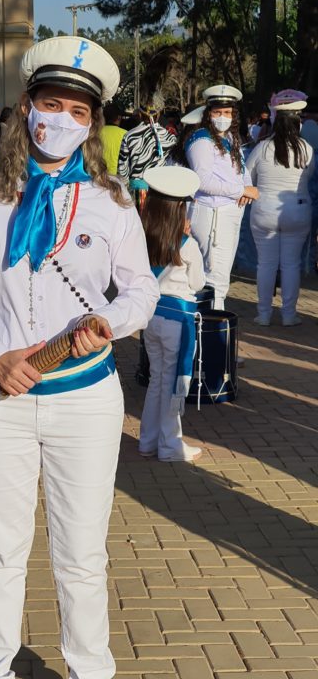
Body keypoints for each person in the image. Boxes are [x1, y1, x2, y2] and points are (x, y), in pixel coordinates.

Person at [0, 35, 159, 679]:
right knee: (0, 552)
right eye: (50, 104)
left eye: (78, 111)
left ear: (93, 123)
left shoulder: (111, 200)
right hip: (0, 398)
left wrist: (109, 323)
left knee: (82, 553)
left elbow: (141, 289)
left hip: (84, 399)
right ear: (26, 107)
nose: (61, 120)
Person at [138, 167, 205, 462]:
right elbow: (198, 284)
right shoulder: (188, 245)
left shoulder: (142, 237)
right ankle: (170, 444)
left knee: (157, 380)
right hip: (178, 320)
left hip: (151, 317)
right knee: (174, 381)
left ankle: (148, 440)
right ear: (180, 209)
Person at [186, 84, 258, 310]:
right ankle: (212, 327)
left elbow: (241, 169)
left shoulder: (230, 138)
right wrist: (240, 191)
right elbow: (203, 180)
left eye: (227, 112)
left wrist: (247, 185)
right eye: (217, 112)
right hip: (212, 214)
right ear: (208, 113)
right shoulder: (201, 140)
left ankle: (208, 324)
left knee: (220, 277)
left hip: (227, 214)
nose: (222, 117)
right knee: (214, 280)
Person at [246, 96, 315, 326]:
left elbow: (248, 176)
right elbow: (309, 176)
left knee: (266, 264)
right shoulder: (306, 149)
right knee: (291, 264)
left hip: (264, 210)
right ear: (298, 124)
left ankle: (264, 314)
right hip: (297, 210)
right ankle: (289, 315)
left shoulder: (262, 147)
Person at [117, 104, 177, 209]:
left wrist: (124, 192)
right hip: (162, 191)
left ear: (140, 114)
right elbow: (174, 166)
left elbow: (122, 170)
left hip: (137, 191)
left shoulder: (129, 136)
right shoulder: (170, 138)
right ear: (159, 115)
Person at [99, 103, 126, 175]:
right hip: (118, 176)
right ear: (119, 117)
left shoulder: (95, 133)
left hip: (97, 175)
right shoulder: (126, 134)